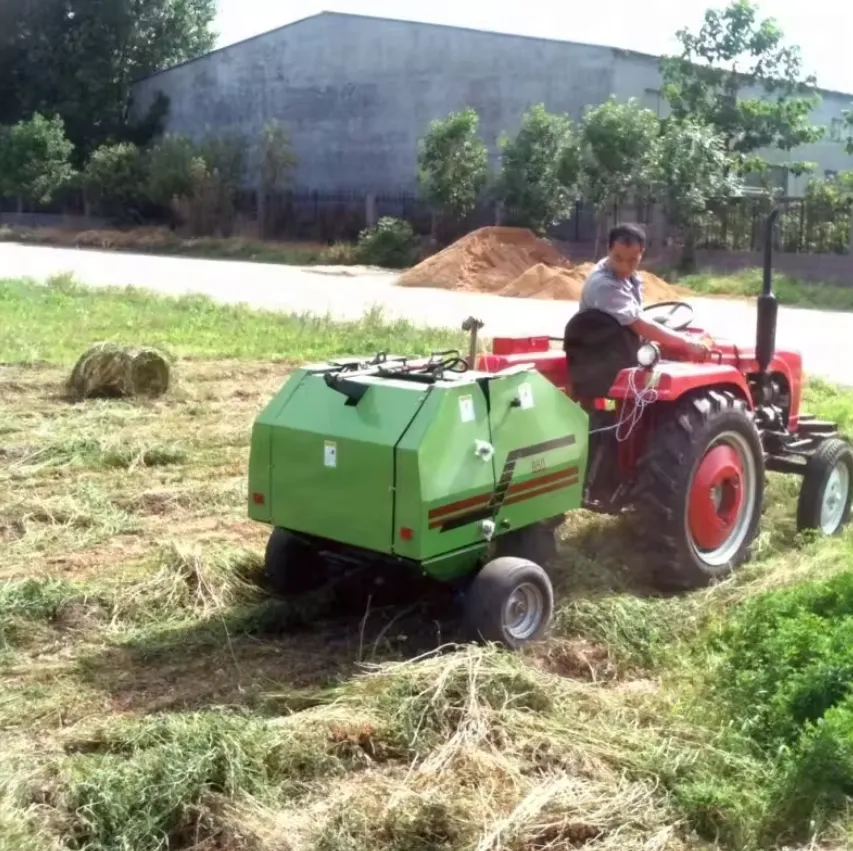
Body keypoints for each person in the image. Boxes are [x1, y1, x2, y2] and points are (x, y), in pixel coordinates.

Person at [578, 223, 710, 359]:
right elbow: (637, 323)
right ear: (608, 250)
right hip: (602, 357)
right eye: (618, 258)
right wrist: (685, 342)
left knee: (663, 324)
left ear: (641, 254)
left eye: (632, 260)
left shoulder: (628, 276)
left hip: (616, 346)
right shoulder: (604, 285)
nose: (624, 266)